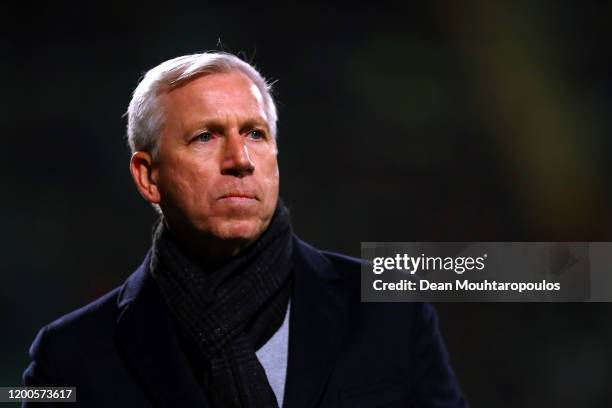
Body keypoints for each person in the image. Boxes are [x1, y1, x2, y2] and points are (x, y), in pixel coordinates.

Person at [23, 51, 468, 407]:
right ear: (148, 176)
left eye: (255, 133)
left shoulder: (392, 316)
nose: (240, 159)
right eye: (205, 137)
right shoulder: (70, 359)